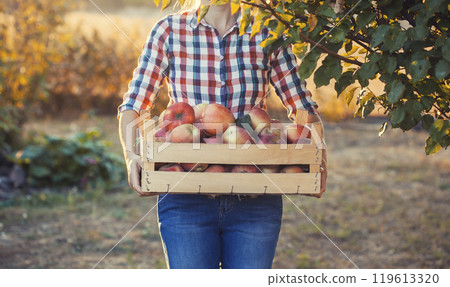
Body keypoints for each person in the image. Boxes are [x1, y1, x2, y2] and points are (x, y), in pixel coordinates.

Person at [118, 0, 327, 269]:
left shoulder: (267, 32)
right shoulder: (169, 30)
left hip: (255, 195)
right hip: (186, 196)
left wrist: (320, 158)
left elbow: (302, 107)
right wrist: (131, 155)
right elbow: (134, 105)